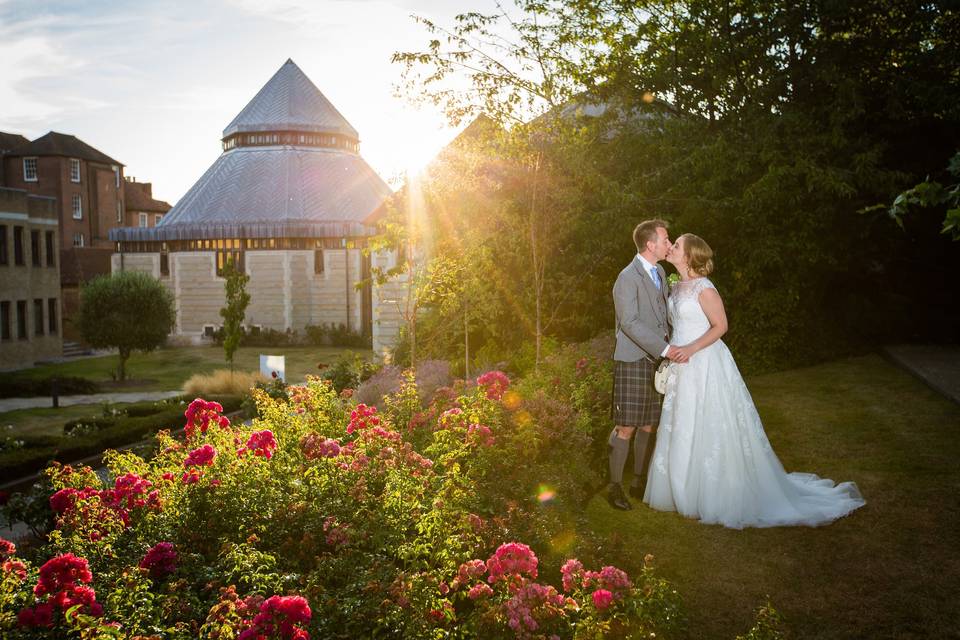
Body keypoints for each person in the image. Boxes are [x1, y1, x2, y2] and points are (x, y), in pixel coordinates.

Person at [643, 233, 866, 528]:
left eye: (677, 245)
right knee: (684, 421)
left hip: (705, 360)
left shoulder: (705, 288)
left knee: (710, 421)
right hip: (681, 363)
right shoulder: (677, 285)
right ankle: (684, 488)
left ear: (689, 255)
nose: (671, 247)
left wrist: (690, 350)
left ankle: (716, 492)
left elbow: (721, 326)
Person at [608, 219, 687, 511]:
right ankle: (614, 487)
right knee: (626, 425)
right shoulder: (626, 278)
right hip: (632, 359)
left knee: (649, 425)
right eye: (666, 239)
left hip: (657, 361)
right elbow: (629, 323)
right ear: (650, 244)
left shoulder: (662, 272)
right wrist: (666, 348)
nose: (669, 244)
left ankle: (639, 481)